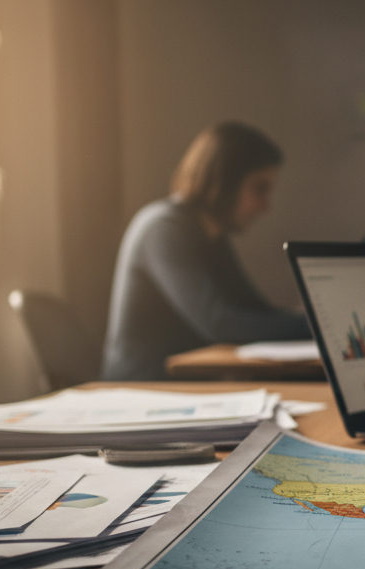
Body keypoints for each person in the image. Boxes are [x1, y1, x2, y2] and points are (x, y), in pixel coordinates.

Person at [101, 122, 310, 380]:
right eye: (260, 188)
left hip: (193, 386)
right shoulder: (163, 228)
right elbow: (218, 323)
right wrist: (314, 324)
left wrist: (310, 317)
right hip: (145, 390)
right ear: (224, 182)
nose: (265, 205)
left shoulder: (213, 236)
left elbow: (255, 309)